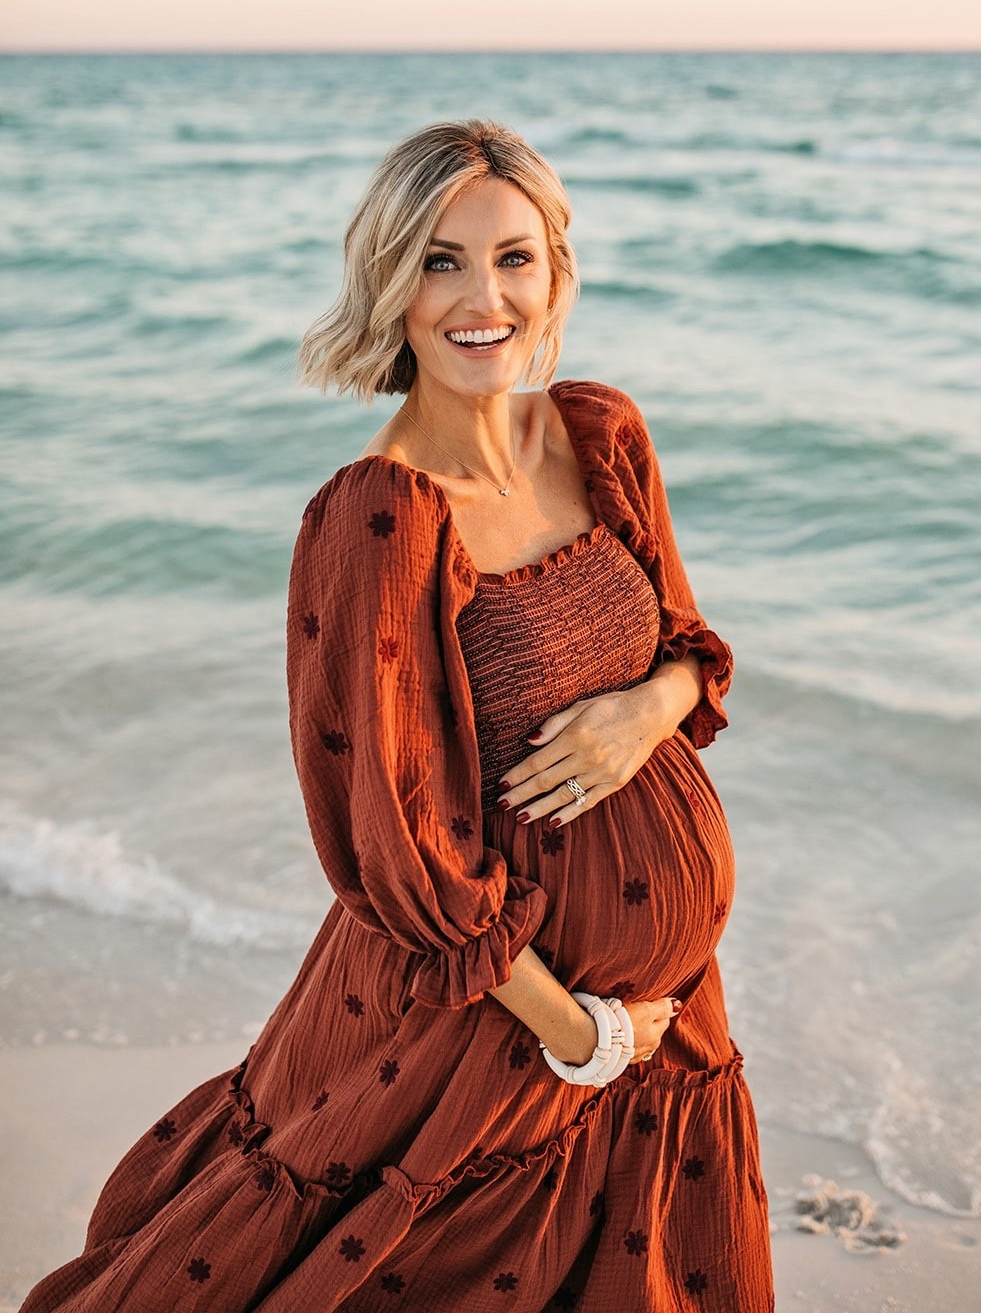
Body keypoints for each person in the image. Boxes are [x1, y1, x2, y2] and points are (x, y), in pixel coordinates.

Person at [21, 120, 774, 1312]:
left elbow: (689, 645)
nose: (484, 297)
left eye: (513, 257)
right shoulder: (376, 519)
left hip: (665, 1026)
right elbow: (389, 841)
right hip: (499, 1022)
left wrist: (646, 709)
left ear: (555, 269)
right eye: (438, 261)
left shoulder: (600, 432)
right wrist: (577, 1036)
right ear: (389, 284)